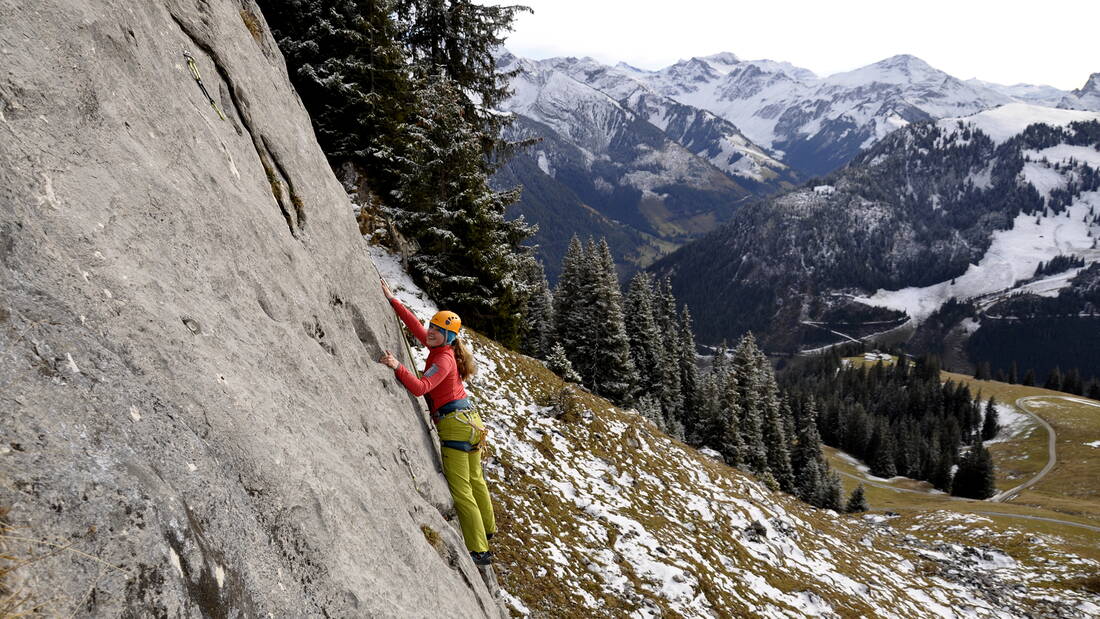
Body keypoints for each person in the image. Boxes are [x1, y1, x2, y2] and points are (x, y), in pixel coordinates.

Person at [377, 280, 497, 566]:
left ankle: (480, 551)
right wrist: (394, 301)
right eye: (432, 327)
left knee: (462, 489)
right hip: (470, 421)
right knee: (476, 479)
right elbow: (417, 330)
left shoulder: (443, 361)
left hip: (456, 424)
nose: (430, 333)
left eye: (437, 331)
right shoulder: (444, 349)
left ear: (449, 337)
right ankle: (488, 529)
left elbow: (420, 387)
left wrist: (397, 366)